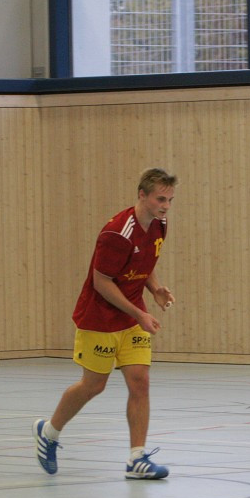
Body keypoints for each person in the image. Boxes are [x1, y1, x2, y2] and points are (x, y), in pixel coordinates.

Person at [34, 168, 178, 480]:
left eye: (169, 199)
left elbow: (144, 263)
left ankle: (136, 458)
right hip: (99, 318)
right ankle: (49, 432)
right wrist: (140, 314)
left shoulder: (159, 224)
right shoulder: (116, 234)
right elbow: (101, 283)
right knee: (93, 385)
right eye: (160, 199)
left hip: (132, 316)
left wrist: (155, 290)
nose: (166, 206)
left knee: (140, 381)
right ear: (142, 195)